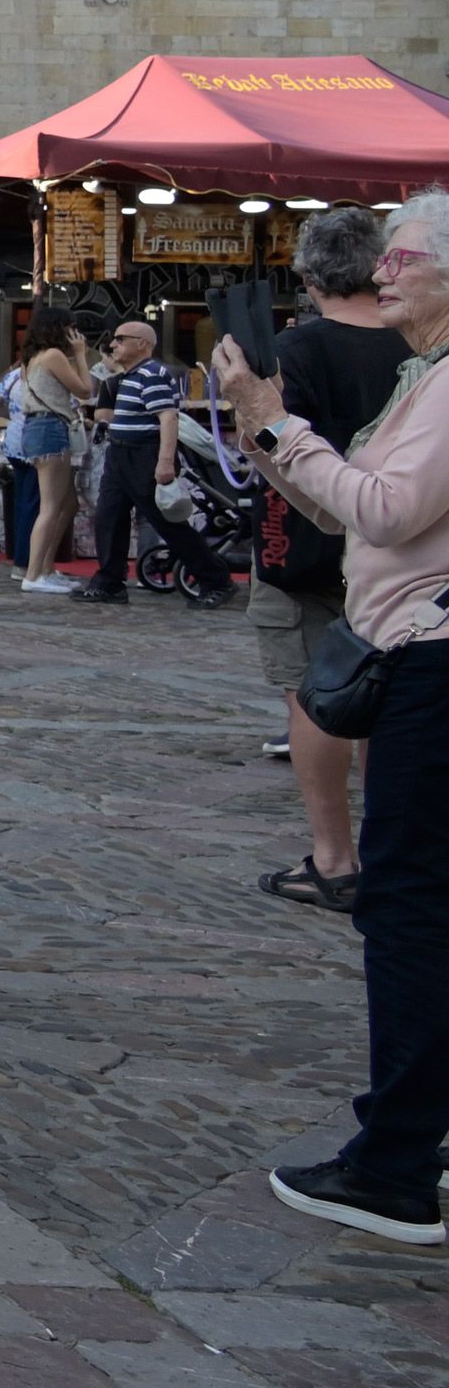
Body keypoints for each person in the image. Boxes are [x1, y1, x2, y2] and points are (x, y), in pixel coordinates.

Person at [212, 186, 449, 1247]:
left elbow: (385, 510)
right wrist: (268, 434)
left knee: (403, 906)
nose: (382, 270)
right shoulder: (420, 374)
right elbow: (355, 503)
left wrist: (273, 423)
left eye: (404, 256)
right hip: (407, 642)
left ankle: (396, 1158)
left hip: (430, 661)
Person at [253, 208, 415, 911]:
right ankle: (385, 850)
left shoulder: (296, 349)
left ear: (310, 274)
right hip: (400, 549)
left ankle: (334, 856)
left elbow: (266, 448)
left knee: (315, 698)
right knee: (387, 701)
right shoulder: (420, 345)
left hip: (307, 540)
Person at [75, 318, 233, 609]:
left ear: (142, 344)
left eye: (121, 339)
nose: (113, 344)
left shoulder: (153, 374)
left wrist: (164, 463)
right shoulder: (128, 376)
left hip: (144, 454)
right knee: (109, 517)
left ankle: (216, 580)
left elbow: (168, 418)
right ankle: (109, 582)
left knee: (168, 522)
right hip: (120, 455)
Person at [13, 310, 95, 593]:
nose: (75, 335)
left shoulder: (32, 358)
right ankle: (34, 575)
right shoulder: (53, 356)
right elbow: (85, 389)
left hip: (39, 428)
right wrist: (81, 355)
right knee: (49, 507)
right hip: (49, 427)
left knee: (67, 503)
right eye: (70, 329)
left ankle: (46, 568)